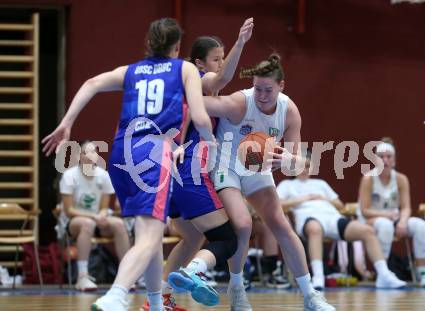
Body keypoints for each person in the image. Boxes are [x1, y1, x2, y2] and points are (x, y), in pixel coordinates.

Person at [42, 17, 214, 311]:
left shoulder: (131, 70)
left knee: (151, 233)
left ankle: (157, 304)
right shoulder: (185, 68)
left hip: (121, 153)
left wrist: (66, 122)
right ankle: (116, 295)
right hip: (153, 151)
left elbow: (91, 83)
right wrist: (210, 142)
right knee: (149, 237)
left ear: (149, 43)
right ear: (177, 47)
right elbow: (199, 117)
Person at [201, 54, 336, 311]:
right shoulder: (240, 102)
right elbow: (200, 104)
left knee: (280, 225)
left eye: (268, 90)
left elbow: (298, 164)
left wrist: (287, 158)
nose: (262, 95)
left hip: (257, 168)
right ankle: (237, 288)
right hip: (226, 166)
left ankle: (310, 295)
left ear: (282, 86)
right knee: (242, 224)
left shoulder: (289, 110)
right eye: (258, 88)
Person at [149, 18, 254, 310]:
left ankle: (159, 301)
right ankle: (194, 273)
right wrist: (240, 43)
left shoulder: (194, 91)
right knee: (227, 239)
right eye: (217, 59)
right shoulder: (196, 78)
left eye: (223, 58)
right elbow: (219, 80)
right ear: (199, 62)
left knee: (193, 236)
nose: (221, 64)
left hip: (173, 174)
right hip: (190, 173)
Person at [277, 152, 406, 290]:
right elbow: (278, 204)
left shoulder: (320, 183)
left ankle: (383, 275)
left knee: (367, 231)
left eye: (307, 166)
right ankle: (318, 276)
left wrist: (323, 198)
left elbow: (340, 205)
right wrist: (305, 198)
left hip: (332, 218)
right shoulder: (287, 185)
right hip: (309, 219)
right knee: (315, 229)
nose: (304, 169)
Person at [358, 137, 425, 287]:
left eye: (388, 156)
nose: (385, 160)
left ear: (394, 159)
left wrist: (403, 221)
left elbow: (406, 207)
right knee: (385, 225)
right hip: (371, 220)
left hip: (394, 218)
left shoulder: (401, 179)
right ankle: (383, 274)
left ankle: (421, 272)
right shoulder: (368, 179)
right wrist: (386, 215)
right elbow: (364, 211)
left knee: (420, 226)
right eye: (381, 157)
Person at [59, 140, 130, 291]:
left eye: (93, 152)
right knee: (87, 224)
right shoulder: (69, 176)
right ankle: (82, 277)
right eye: (85, 152)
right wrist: (94, 217)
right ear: (79, 156)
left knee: (118, 224)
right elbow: (68, 210)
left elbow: (104, 208)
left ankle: (126, 277)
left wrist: (103, 215)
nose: (89, 155)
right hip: (74, 222)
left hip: (98, 220)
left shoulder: (103, 175)